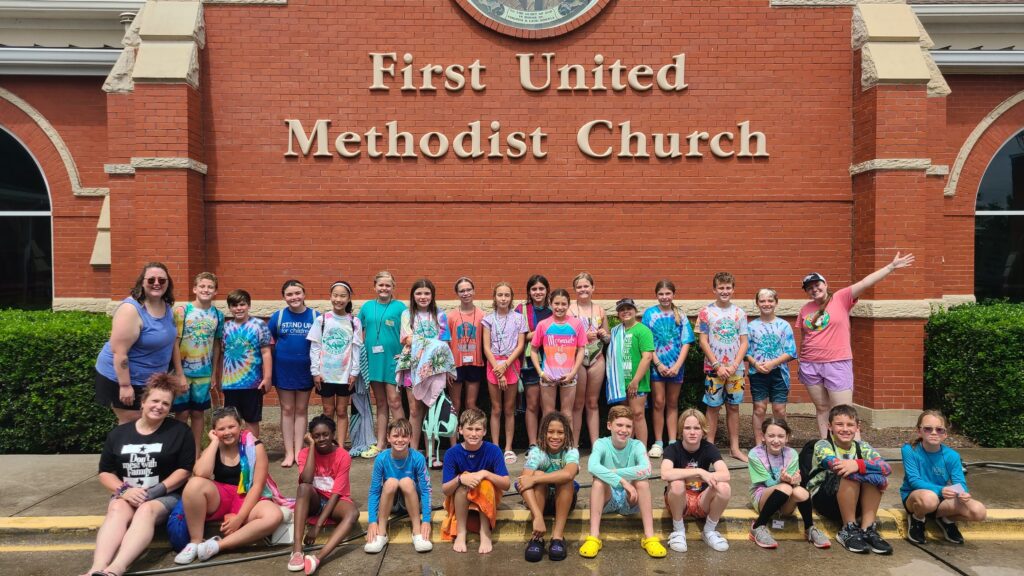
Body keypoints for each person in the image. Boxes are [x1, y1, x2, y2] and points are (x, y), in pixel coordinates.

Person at [82, 373, 195, 576]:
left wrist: (155, 491)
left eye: (165, 403)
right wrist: (124, 490)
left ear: (170, 408)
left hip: (165, 495)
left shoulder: (179, 431)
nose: (159, 406)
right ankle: (96, 569)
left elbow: (185, 469)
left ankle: (116, 569)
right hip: (128, 493)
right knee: (116, 507)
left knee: (145, 511)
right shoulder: (119, 434)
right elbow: (105, 472)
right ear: (143, 403)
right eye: (154, 401)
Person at [798, 252, 915, 438]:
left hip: (836, 362)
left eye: (817, 284)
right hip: (810, 364)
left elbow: (865, 283)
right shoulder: (805, 309)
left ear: (825, 284)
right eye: (809, 287)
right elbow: (806, 336)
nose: (814, 289)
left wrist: (890, 267)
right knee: (821, 408)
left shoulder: (841, 298)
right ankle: (826, 448)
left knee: (844, 412)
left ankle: (855, 452)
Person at [174, 406, 287, 564]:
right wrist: (213, 443)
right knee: (194, 485)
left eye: (231, 426)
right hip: (221, 496)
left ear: (240, 426)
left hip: (247, 495)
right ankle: (195, 542)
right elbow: (200, 473)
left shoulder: (254, 446)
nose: (227, 432)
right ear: (214, 431)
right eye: (221, 429)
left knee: (274, 515)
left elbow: (257, 486)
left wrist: (239, 518)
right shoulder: (216, 445)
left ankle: (216, 546)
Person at [95, 262, 181, 424]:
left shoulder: (166, 305)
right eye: (151, 280)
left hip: (149, 379)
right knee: (131, 421)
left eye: (162, 280)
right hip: (123, 378)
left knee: (149, 420)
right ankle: (119, 449)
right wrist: (125, 386)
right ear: (142, 282)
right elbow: (119, 352)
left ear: (168, 283)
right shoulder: (131, 310)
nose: (157, 283)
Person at [580, 405, 665, 559]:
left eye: (628, 426)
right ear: (609, 425)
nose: (624, 430)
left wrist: (614, 473)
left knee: (643, 482)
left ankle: (649, 537)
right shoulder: (601, 443)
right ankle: (594, 537)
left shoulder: (637, 445)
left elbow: (647, 470)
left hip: (630, 499)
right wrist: (623, 481)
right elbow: (592, 466)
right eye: (619, 425)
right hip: (607, 499)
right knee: (598, 481)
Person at [808, 404, 893, 554]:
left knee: (873, 478)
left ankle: (867, 529)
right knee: (850, 475)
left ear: (857, 427)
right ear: (830, 426)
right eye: (839, 424)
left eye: (850, 425)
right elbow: (835, 466)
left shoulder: (862, 447)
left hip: (856, 501)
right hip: (825, 499)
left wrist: (857, 464)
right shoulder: (823, 445)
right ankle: (848, 529)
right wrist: (869, 472)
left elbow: (886, 468)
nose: (845, 429)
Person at [901, 409, 986, 545]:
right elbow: (914, 480)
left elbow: (960, 483)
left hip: (941, 499)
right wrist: (940, 490)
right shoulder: (910, 449)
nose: (934, 433)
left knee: (979, 512)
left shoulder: (952, 456)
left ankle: (946, 519)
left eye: (939, 429)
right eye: (928, 429)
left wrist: (963, 493)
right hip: (916, 497)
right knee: (929, 499)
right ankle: (918, 518)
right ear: (919, 431)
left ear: (945, 434)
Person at [396, 278, 457, 462]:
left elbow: (445, 342)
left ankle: (432, 453)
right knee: (414, 410)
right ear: (413, 296)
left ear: (432, 295)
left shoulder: (440, 315)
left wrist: (421, 341)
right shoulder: (407, 315)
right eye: (419, 293)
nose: (423, 297)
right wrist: (431, 343)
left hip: (435, 368)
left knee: (433, 409)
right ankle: (413, 452)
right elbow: (407, 339)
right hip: (412, 368)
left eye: (427, 293)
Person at [289, 416, 359, 574]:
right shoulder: (304, 453)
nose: (321, 439)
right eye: (316, 436)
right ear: (311, 437)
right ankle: (297, 550)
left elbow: (335, 495)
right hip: (313, 500)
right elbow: (306, 480)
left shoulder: (343, 456)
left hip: (334, 501)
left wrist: (317, 527)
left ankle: (317, 558)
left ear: (333, 434)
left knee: (352, 513)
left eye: (325, 434)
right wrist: (312, 448)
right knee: (303, 488)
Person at [746, 417, 830, 549]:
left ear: (787, 437)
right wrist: (784, 481)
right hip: (762, 496)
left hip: (784, 498)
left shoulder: (792, 454)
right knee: (785, 487)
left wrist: (795, 482)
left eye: (781, 436)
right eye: (771, 436)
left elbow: (792, 484)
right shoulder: (755, 454)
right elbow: (767, 483)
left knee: (801, 492)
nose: (776, 440)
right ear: (763, 436)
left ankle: (810, 528)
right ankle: (757, 526)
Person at [441, 408, 511, 554]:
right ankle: (461, 533)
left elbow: (506, 484)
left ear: (485, 431)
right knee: (461, 485)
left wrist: (485, 473)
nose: (474, 434)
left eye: (478, 429)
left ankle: (485, 532)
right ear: (460, 430)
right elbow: (446, 489)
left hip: (488, 497)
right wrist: (460, 478)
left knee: (485, 483)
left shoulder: (493, 450)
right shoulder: (452, 453)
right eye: (469, 429)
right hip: (461, 498)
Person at [695, 271, 749, 462]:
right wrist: (717, 365)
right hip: (713, 369)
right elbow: (703, 341)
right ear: (714, 289)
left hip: (736, 370)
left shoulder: (739, 313)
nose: (724, 291)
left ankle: (735, 448)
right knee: (713, 407)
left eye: (728, 288)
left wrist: (734, 365)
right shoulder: (705, 312)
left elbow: (744, 342)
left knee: (733, 407)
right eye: (721, 288)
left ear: (733, 290)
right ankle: (709, 448)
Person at [661, 408, 731, 553]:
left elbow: (725, 475)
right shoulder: (672, 449)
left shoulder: (709, 448)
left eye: (696, 428)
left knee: (724, 487)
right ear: (681, 430)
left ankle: (709, 531)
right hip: (680, 502)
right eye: (687, 428)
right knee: (676, 483)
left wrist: (707, 476)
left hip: (702, 500)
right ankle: (678, 531)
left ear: (703, 431)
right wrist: (700, 472)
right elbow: (665, 474)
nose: (692, 432)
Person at [172, 272, 224, 456]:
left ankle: (195, 453)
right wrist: (178, 374)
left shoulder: (218, 315)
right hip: (183, 372)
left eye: (210, 287)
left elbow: (217, 344)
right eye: (202, 286)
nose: (206, 290)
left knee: (198, 414)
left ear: (216, 291)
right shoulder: (182, 311)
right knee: (182, 413)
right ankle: (178, 452)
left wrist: (213, 374)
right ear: (195, 289)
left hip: (203, 373)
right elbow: (174, 343)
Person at [268, 279, 320, 468]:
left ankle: (299, 452)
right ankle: (288, 452)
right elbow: (270, 343)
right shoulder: (278, 316)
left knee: (301, 409)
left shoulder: (315, 316)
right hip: (283, 370)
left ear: (304, 294)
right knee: (287, 409)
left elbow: (320, 344)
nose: (294, 297)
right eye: (289, 294)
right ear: (284, 297)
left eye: (297, 293)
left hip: (305, 370)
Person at [642, 279, 695, 459]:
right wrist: (658, 364)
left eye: (668, 294)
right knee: (658, 402)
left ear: (673, 294)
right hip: (657, 366)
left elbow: (686, 342)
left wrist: (677, 365)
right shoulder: (649, 314)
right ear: (656, 295)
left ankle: (672, 441)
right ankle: (658, 442)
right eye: (661, 294)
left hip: (676, 366)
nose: (664, 297)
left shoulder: (680, 314)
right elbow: (646, 342)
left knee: (672, 403)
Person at [307, 281, 363, 449]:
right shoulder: (322, 320)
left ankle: (339, 445)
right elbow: (315, 346)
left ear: (349, 298)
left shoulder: (354, 322)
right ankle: (328, 444)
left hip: (345, 375)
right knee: (328, 410)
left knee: (341, 411)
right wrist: (315, 371)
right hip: (325, 374)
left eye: (343, 296)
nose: (339, 299)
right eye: (335, 295)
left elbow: (356, 348)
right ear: (330, 297)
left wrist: (354, 372)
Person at [364, 418, 433, 554]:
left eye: (404, 436)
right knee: (391, 482)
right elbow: (374, 491)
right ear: (388, 437)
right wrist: (372, 521)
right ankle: (381, 533)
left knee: (406, 481)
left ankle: (417, 532)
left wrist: (426, 520)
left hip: (412, 501)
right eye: (395, 436)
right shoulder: (381, 458)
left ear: (411, 438)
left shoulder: (417, 457)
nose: (400, 440)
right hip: (391, 503)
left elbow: (426, 490)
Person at [518, 411, 580, 562]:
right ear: (543, 433)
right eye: (550, 432)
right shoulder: (537, 452)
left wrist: (536, 479)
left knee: (563, 479)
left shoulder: (571, 451)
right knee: (536, 477)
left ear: (567, 435)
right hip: (538, 504)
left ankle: (557, 537)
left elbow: (569, 474)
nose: (555, 436)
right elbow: (523, 482)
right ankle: (537, 539)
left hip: (564, 501)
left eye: (560, 432)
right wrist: (538, 517)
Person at [358, 271, 407, 459]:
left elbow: (407, 333)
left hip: (392, 362)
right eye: (381, 285)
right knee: (380, 403)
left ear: (393, 287)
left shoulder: (400, 308)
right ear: (374, 287)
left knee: (395, 401)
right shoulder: (367, 307)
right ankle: (380, 444)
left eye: (388, 285)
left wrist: (404, 353)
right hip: (373, 361)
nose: (384, 288)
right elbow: (360, 332)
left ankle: (403, 440)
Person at [482, 281, 528, 464]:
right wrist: (497, 368)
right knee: (496, 408)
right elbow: (486, 347)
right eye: (500, 295)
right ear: (494, 297)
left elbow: (521, 345)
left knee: (509, 409)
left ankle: (508, 448)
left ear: (511, 298)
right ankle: (495, 446)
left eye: (506, 295)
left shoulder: (518, 318)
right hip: (494, 364)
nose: (503, 298)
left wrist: (506, 365)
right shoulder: (488, 319)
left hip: (511, 365)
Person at [745, 288, 797, 445]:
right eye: (762, 301)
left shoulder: (784, 325)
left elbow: (791, 351)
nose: (766, 304)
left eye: (770, 301)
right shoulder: (751, 326)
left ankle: (781, 442)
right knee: (759, 408)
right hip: (757, 373)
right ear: (757, 303)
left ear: (776, 303)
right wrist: (755, 363)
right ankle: (759, 444)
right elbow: (745, 351)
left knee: (779, 409)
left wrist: (772, 363)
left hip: (779, 373)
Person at [530, 288, 586, 425]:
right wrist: (541, 372)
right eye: (556, 304)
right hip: (548, 376)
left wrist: (573, 373)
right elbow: (533, 350)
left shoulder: (576, 324)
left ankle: (569, 447)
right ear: (550, 303)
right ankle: (545, 447)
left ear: (568, 305)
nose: (560, 307)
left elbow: (581, 349)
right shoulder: (543, 325)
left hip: (569, 376)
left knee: (567, 415)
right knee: (548, 414)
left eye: (563, 304)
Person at [220, 289, 272, 437]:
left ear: (249, 305)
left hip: (252, 383)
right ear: (229, 308)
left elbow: (266, 352)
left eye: (242, 304)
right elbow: (223, 354)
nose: (238, 308)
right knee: (230, 421)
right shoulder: (226, 327)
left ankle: (253, 452)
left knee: (251, 420)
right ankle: (234, 452)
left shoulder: (259, 325)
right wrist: (220, 378)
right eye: (234, 305)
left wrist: (267, 378)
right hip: (230, 384)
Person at [605, 298, 655, 446]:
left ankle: (641, 450)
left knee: (638, 414)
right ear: (618, 314)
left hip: (637, 381)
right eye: (622, 309)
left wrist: (635, 381)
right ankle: (627, 448)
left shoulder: (642, 330)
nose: (625, 311)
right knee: (625, 418)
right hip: (621, 382)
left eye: (629, 308)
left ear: (635, 311)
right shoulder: (616, 331)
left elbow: (647, 357)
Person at [568, 272, 609, 450]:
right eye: (579, 287)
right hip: (577, 357)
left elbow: (607, 338)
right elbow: (566, 336)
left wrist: (604, 335)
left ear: (593, 288)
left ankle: (595, 446)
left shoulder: (600, 310)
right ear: (574, 289)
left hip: (597, 356)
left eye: (586, 286)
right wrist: (584, 335)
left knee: (592, 402)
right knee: (577, 403)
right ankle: (574, 445)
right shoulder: (569, 309)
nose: (583, 289)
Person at [515, 274, 552, 450]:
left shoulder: (554, 309)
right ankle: (532, 443)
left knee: (548, 405)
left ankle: (546, 441)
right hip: (529, 363)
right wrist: (539, 331)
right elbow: (517, 336)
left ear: (547, 290)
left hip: (552, 362)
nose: (538, 292)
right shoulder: (521, 310)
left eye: (541, 289)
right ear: (529, 291)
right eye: (534, 289)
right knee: (532, 404)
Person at [448, 277, 485, 418]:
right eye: (462, 291)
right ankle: (453, 440)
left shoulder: (482, 315)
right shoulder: (451, 316)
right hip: (455, 365)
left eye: (468, 289)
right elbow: (447, 343)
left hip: (475, 364)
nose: (466, 293)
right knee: (455, 404)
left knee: (471, 404)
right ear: (457, 294)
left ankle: (471, 435)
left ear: (474, 291)